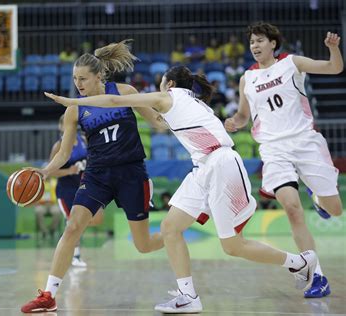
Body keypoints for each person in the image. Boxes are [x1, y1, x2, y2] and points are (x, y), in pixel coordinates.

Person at [45, 64, 318, 313]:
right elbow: (159, 122)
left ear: (170, 83)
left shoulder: (168, 97)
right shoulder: (189, 100)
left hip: (220, 163)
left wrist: (72, 102)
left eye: (161, 82)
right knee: (170, 228)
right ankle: (188, 296)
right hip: (202, 167)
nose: (158, 87)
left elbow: (115, 100)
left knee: (232, 246)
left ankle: (299, 263)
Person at [21, 39, 166, 313]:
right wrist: (44, 170)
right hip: (97, 174)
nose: (78, 84)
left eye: (83, 78)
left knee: (144, 245)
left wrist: (182, 121)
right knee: (73, 226)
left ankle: (173, 232)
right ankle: (49, 295)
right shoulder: (74, 109)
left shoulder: (125, 92)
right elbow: (64, 154)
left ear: (99, 76)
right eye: (75, 79)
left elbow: (157, 123)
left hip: (131, 172)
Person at [224, 22, 343, 298]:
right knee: (291, 208)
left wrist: (334, 50)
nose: (254, 46)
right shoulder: (247, 79)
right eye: (252, 42)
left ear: (273, 44)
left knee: (335, 209)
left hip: (305, 142)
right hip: (273, 148)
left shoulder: (291, 63)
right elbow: (244, 115)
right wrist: (235, 122)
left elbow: (333, 68)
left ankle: (318, 198)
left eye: (260, 41)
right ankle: (317, 276)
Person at [47, 114, 104, 267]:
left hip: (84, 187)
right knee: (73, 223)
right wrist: (69, 171)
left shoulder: (83, 140)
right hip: (65, 190)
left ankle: (68, 240)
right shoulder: (58, 146)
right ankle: (75, 256)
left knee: (97, 218)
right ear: (60, 128)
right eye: (63, 125)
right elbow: (50, 172)